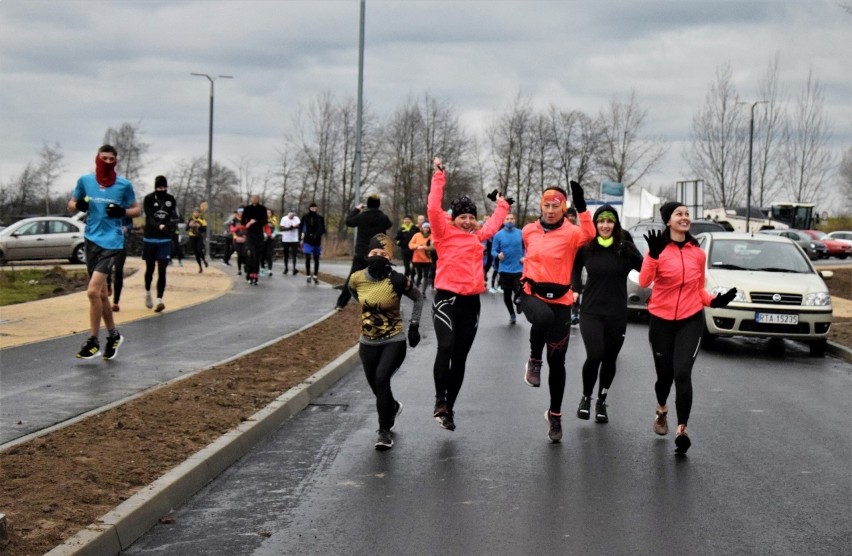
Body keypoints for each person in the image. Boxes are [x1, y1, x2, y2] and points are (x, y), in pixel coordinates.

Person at [639, 201, 737, 455]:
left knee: (682, 373)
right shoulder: (658, 250)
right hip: (661, 321)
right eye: (678, 214)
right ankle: (662, 410)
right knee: (664, 377)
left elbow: (697, 290)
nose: (684, 217)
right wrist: (652, 255)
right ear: (668, 221)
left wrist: (716, 301)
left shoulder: (698, 252)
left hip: (690, 320)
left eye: (686, 214)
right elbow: (644, 281)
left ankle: (682, 430)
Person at [427, 157, 510, 431]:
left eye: (471, 217)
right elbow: (433, 207)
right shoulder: (442, 232)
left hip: (470, 303)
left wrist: (503, 204)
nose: (467, 221)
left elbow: (495, 224)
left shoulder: (477, 236)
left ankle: (449, 409)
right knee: (446, 347)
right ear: (454, 218)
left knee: (460, 358)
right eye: (462, 216)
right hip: (446, 299)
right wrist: (439, 177)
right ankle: (439, 400)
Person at [518, 181, 595, 443]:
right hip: (531, 293)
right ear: (540, 206)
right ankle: (533, 360)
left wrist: (582, 205)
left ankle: (555, 415)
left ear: (564, 208)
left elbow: (591, 233)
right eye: (546, 205)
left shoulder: (573, 233)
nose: (550, 210)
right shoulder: (528, 230)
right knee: (542, 317)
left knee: (558, 362)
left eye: (556, 206)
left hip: (561, 299)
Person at [348, 233, 424, 450]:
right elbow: (354, 293)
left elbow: (418, 298)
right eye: (374, 253)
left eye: (383, 254)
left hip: (394, 340)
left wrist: (414, 326)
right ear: (367, 255)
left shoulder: (398, 279)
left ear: (390, 258)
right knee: (376, 386)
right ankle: (392, 407)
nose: (378, 257)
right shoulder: (357, 278)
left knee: (382, 380)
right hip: (367, 342)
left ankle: (384, 432)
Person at [68, 144, 140, 360]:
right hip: (91, 240)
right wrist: (78, 204)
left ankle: (93, 340)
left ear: (116, 161)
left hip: (112, 243)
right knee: (100, 294)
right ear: (97, 158)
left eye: (112, 159)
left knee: (92, 292)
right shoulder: (86, 181)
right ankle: (113, 335)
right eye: (104, 158)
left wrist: (123, 211)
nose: (108, 162)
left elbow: (137, 210)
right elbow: (71, 204)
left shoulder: (123, 185)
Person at [572, 205, 643, 424]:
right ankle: (585, 397)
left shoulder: (623, 248)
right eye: (601, 221)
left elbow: (645, 271)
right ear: (595, 224)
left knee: (610, 359)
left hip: (617, 313)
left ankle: (601, 401)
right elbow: (575, 267)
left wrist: (636, 253)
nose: (605, 225)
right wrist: (576, 288)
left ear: (615, 224)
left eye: (609, 221)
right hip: (591, 311)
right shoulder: (587, 248)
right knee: (595, 355)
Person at [335, 193, 393, 310]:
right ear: (378, 205)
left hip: (362, 252)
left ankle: (341, 304)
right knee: (378, 279)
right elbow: (389, 224)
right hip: (377, 253)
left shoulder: (361, 216)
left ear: (367, 204)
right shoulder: (383, 218)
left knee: (352, 278)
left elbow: (349, 221)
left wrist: (356, 210)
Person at [142, 175, 179, 312]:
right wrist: (158, 226)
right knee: (150, 269)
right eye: (159, 187)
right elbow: (149, 217)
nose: (161, 189)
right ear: (155, 187)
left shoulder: (170, 199)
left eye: (163, 187)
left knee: (162, 269)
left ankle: (160, 299)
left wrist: (169, 225)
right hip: (150, 238)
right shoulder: (149, 199)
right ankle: (147, 293)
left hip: (165, 240)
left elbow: (175, 216)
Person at [490, 213, 525, 324]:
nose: (510, 221)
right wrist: (498, 255)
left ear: (515, 220)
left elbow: (527, 247)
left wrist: (525, 257)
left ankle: (519, 303)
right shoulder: (498, 235)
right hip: (504, 269)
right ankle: (512, 314)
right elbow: (493, 250)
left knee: (518, 291)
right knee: (507, 295)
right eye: (507, 219)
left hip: (518, 268)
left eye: (512, 219)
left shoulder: (521, 233)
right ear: (504, 221)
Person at [241, 195, 268, 285]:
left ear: (258, 200)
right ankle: (249, 273)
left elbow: (265, 221)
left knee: (257, 256)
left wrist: (255, 221)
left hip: (259, 234)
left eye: (256, 199)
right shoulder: (247, 208)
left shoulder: (262, 209)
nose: (254, 200)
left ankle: (255, 274)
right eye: (253, 199)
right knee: (251, 255)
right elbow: (242, 221)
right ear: (251, 200)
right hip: (250, 234)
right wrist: (248, 223)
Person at [108, 215, 133, 312]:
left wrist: (126, 227)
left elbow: (130, 223)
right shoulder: (104, 204)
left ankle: (116, 302)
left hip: (120, 244)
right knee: (106, 270)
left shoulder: (124, 207)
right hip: (106, 244)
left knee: (118, 271)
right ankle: (108, 285)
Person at [300, 202, 326, 283]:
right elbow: (302, 228)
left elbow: (323, 228)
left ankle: (315, 275)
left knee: (316, 258)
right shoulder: (305, 217)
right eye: (312, 208)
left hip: (317, 240)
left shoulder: (320, 218)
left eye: (315, 208)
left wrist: (317, 234)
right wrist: (301, 237)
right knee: (307, 257)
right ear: (310, 208)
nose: (314, 209)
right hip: (308, 240)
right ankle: (308, 275)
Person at [566, 207, 583, 325]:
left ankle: (574, 312)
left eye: (573, 215)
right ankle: (567, 311)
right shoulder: (560, 230)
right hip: (563, 263)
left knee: (576, 288)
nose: (571, 218)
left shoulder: (578, 230)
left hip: (576, 263)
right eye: (569, 215)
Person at [408, 221, 434, 295]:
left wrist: (424, 247)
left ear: (429, 228)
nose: (426, 229)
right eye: (425, 227)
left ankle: (423, 292)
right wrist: (416, 246)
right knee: (419, 275)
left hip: (427, 259)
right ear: (422, 228)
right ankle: (416, 290)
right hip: (417, 259)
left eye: (427, 227)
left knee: (425, 275)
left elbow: (433, 247)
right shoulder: (417, 235)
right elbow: (410, 244)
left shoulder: (431, 236)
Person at [394, 215, 419, 279]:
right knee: (407, 267)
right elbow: (396, 239)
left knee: (414, 266)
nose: (407, 220)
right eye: (405, 219)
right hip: (404, 250)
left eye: (408, 219)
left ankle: (413, 278)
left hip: (414, 250)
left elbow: (419, 237)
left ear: (411, 220)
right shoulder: (401, 229)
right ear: (403, 221)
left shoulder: (415, 228)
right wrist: (400, 243)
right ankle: (405, 280)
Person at [279, 208, 301, 275]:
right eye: (291, 214)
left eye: (294, 214)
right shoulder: (284, 218)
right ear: (289, 213)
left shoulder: (296, 218)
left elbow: (299, 225)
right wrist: (289, 228)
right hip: (286, 239)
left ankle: (294, 268)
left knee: (294, 254)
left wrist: (294, 227)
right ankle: (286, 268)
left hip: (294, 239)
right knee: (286, 254)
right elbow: (281, 228)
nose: (293, 216)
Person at [187, 207, 209, 273]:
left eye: (196, 212)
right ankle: (200, 267)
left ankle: (204, 260)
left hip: (199, 236)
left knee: (199, 250)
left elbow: (205, 229)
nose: (195, 213)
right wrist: (189, 225)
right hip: (192, 237)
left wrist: (199, 226)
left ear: (199, 213)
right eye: (194, 212)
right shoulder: (190, 219)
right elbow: (186, 228)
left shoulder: (202, 219)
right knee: (196, 253)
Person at [263, 208, 279, 277]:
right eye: (266, 213)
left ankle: (270, 270)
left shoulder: (274, 220)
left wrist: (274, 234)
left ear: (271, 214)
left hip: (271, 239)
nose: (268, 214)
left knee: (269, 255)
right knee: (263, 254)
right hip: (263, 239)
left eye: (269, 213)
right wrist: (264, 234)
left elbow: (276, 228)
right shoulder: (262, 219)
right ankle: (262, 269)